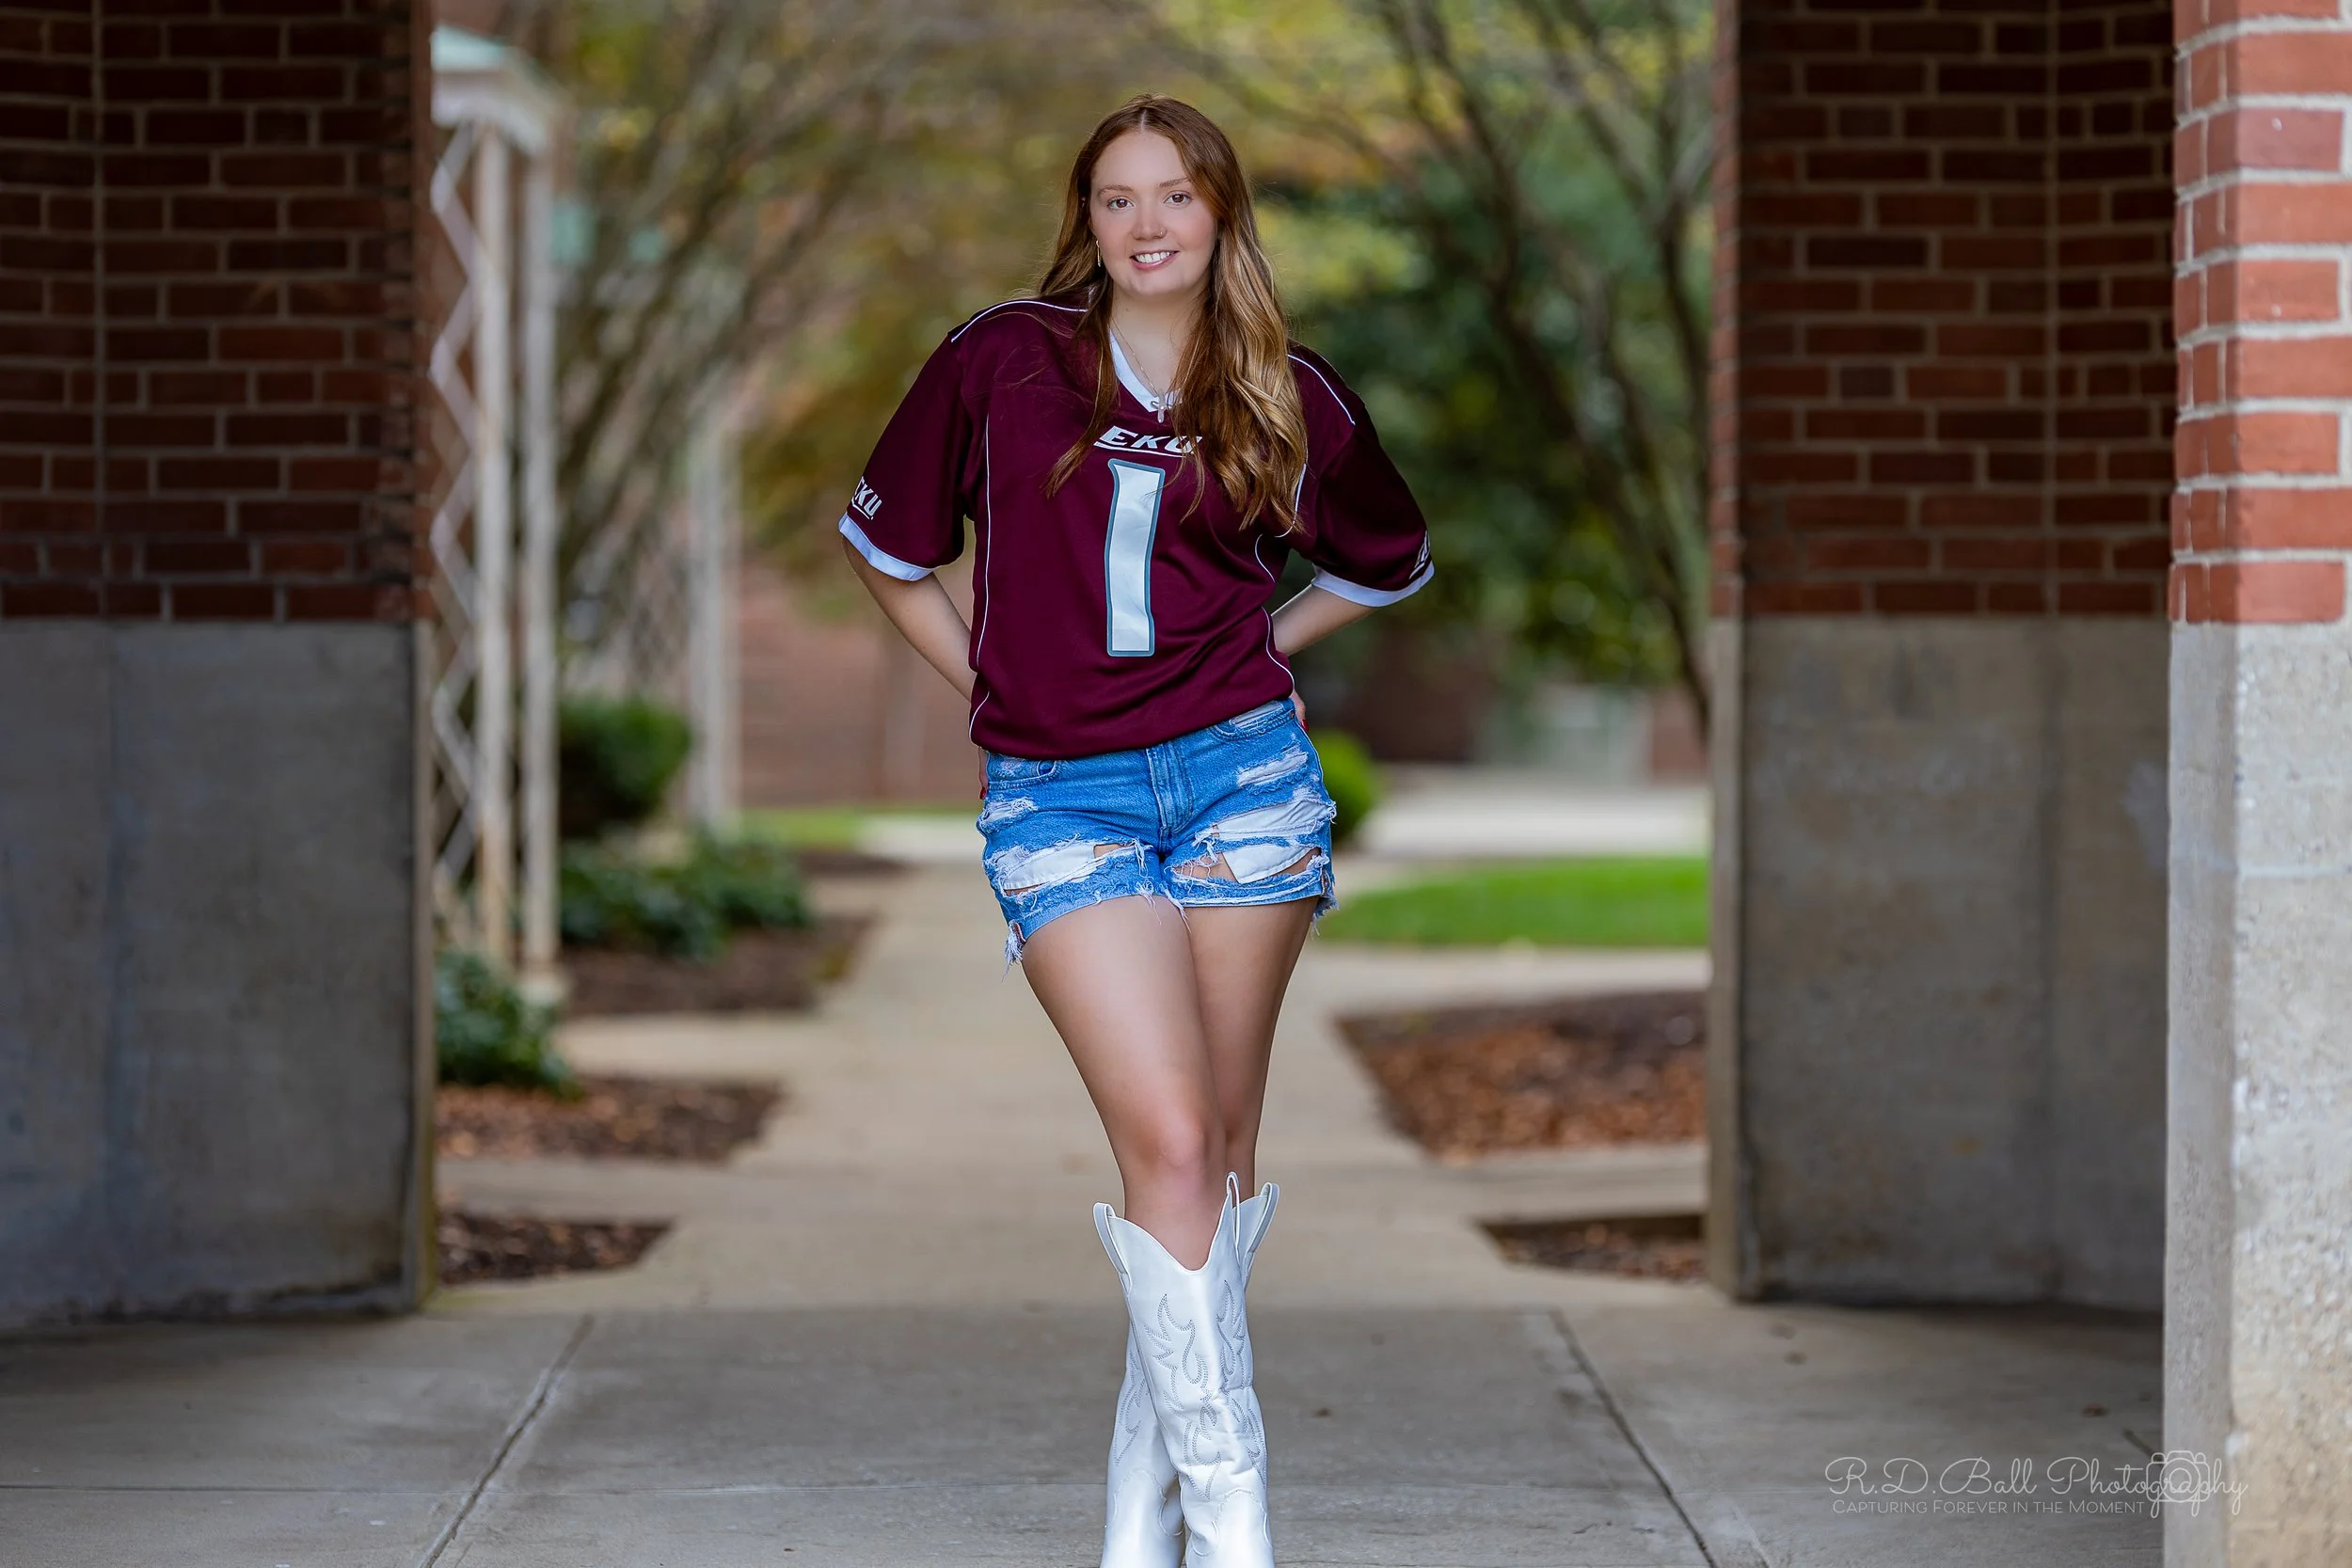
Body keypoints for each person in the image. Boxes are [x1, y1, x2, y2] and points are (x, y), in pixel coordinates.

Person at [836, 93, 1433, 1568]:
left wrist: (1268, 647)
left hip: (1246, 786)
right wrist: (992, 675)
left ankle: (1135, 1522)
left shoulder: (1288, 391)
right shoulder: (1001, 358)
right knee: (1166, 1140)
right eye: (1118, 198)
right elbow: (893, 554)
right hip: (1062, 798)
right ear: (1086, 219)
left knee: (1211, 1168)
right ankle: (1236, 1528)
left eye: (1176, 196)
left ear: (1222, 214)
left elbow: (1389, 555)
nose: (1148, 224)